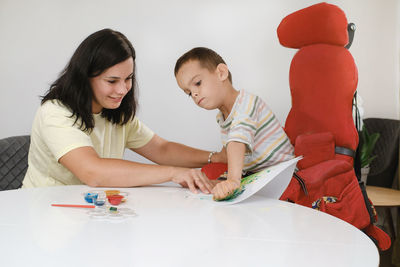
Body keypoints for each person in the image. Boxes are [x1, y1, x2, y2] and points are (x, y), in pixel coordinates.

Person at [22, 29, 226, 194]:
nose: (122, 90)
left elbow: (162, 149)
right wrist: (175, 174)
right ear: (84, 77)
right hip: (45, 212)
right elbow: (93, 172)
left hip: (92, 212)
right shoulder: (55, 113)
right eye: (112, 81)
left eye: (128, 78)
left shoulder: (115, 113)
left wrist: (217, 157)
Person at [174, 47, 294, 200]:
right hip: (255, 173)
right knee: (210, 183)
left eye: (197, 83)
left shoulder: (247, 103)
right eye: (189, 93)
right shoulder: (222, 117)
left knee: (229, 184)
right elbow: (230, 151)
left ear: (221, 73)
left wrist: (232, 180)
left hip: (282, 173)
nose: (195, 94)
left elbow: (237, 141)